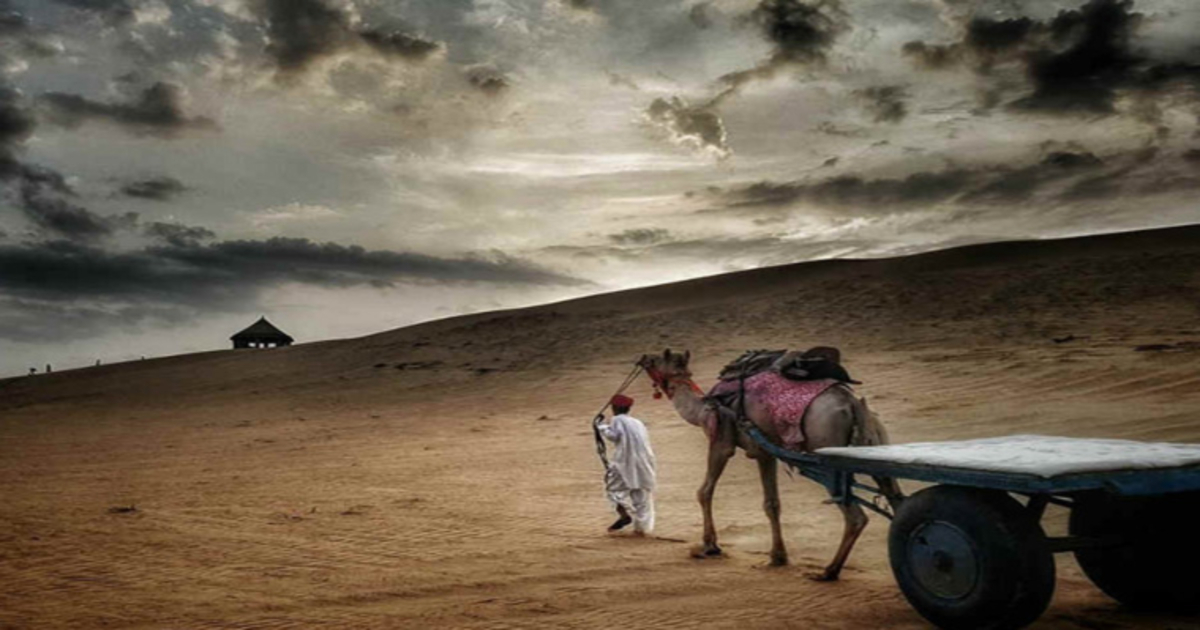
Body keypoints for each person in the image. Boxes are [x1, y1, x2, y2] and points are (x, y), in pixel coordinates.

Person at [594, 394, 656, 535]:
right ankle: (642, 529)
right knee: (641, 494)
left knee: (613, 489)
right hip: (645, 461)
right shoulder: (637, 422)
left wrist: (601, 427)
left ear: (615, 408)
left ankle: (625, 514)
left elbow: (614, 436)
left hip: (625, 461)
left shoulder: (617, 419)